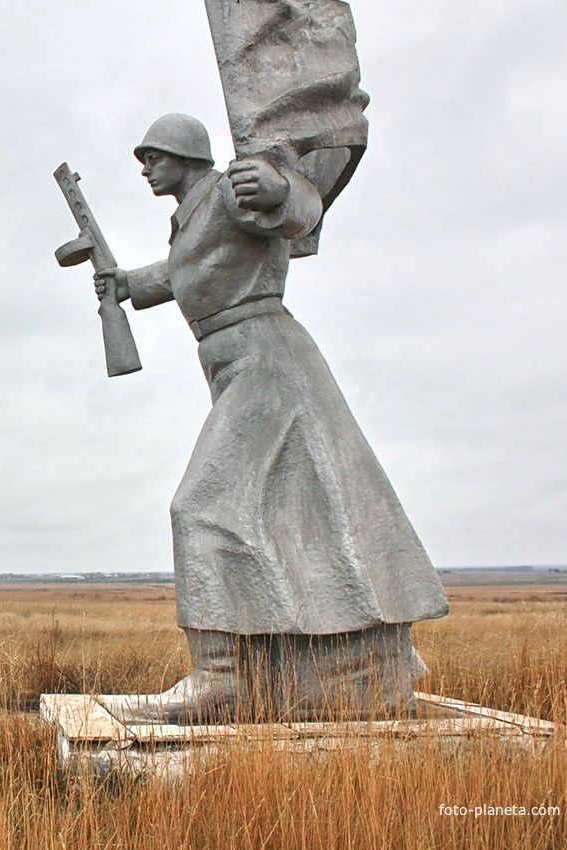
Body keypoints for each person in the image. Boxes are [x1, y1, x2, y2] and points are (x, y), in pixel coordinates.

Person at [93, 114, 449, 723]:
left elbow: (299, 213)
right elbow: (187, 271)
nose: (145, 168)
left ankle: (221, 678)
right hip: (236, 364)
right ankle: (339, 661)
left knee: (202, 505)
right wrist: (125, 284)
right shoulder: (191, 218)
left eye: (153, 156)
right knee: (293, 507)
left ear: (188, 155)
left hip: (266, 358)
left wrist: (283, 190)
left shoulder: (234, 189)